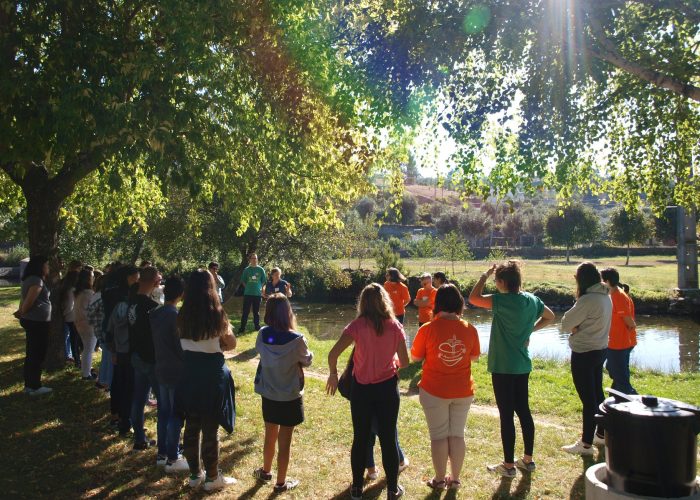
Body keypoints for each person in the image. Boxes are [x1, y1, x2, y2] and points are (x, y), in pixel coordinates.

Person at [469, 261, 555, 477]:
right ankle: (528, 460)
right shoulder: (532, 300)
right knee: (524, 411)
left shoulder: (500, 300)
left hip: (502, 366)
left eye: (496, 280)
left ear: (502, 282)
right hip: (522, 365)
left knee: (506, 415)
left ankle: (508, 466)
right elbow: (551, 316)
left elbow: (473, 298)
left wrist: (483, 276)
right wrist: (530, 331)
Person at [326, 284, 410, 500]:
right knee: (389, 438)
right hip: (387, 389)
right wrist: (391, 361)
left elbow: (333, 354)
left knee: (360, 438)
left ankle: (356, 488)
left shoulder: (356, 326)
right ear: (385, 301)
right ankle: (392, 489)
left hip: (361, 390)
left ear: (362, 303)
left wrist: (334, 375)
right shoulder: (394, 326)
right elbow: (406, 361)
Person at [411, 284, 480, 490]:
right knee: (457, 435)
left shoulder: (427, 328)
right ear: (460, 304)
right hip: (463, 390)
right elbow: (474, 357)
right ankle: (455, 479)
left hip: (434, 390)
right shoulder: (471, 329)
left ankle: (440, 480)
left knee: (439, 436)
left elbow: (415, 357)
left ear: (437, 304)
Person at [177, 270, 237, 492]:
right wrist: (217, 344)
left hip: (189, 373)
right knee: (210, 427)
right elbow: (231, 343)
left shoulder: (181, 314)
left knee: (191, 425)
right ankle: (212, 478)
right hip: (211, 375)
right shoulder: (217, 314)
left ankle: (194, 475)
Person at [253, 293, 312, 492]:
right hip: (290, 395)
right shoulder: (297, 339)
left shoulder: (263, 334)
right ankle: (280, 482)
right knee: (285, 440)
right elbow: (307, 360)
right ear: (288, 312)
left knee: (270, 433)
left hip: (269, 392)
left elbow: (260, 350)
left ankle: (266, 471)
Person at [560, 262, 612, 455]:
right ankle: (601, 433)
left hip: (584, 352)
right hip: (600, 349)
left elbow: (565, 323)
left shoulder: (588, 299)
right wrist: (578, 326)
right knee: (597, 395)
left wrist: (576, 328)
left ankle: (586, 444)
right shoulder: (606, 297)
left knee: (588, 400)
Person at [150, 276, 188, 472]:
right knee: (174, 413)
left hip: (160, 367)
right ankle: (173, 456)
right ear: (181, 294)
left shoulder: (155, 314)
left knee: (163, 411)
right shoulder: (175, 316)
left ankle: (161, 453)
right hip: (174, 370)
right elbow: (179, 347)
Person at [128, 265, 162, 450]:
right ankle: (165, 443)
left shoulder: (131, 302)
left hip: (136, 356)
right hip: (151, 359)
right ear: (155, 281)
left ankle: (139, 439)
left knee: (139, 399)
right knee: (163, 402)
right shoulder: (151, 308)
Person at [13, 255, 53, 395]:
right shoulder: (37, 281)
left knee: (32, 353)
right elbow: (29, 301)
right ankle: (34, 386)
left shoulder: (30, 279)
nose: (48, 267)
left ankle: (30, 385)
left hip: (35, 321)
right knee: (37, 354)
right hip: (37, 322)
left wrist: (21, 312)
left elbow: (25, 300)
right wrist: (22, 312)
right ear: (40, 267)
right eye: (46, 265)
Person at [601, 268, 637, 395]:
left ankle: (636, 404)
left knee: (621, 378)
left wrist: (629, 333)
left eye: (600, 280)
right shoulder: (613, 294)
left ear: (607, 281)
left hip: (620, 343)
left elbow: (629, 321)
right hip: (614, 343)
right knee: (613, 370)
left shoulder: (618, 297)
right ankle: (615, 398)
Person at [87, 274, 111, 390]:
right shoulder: (101, 297)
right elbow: (91, 314)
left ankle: (103, 380)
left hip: (98, 329)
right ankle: (106, 382)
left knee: (106, 356)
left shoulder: (95, 295)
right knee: (108, 357)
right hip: (102, 329)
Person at [74, 269, 98, 380]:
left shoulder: (79, 292)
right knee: (88, 349)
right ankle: (86, 374)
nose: (93, 278)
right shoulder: (89, 293)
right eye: (92, 276)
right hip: (88, 324)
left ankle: (86, 370)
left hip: (79, 322)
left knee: (86, 348)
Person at [238, 253, 266, 333]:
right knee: (245, 312)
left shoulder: (261, 269)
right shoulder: (246, 270)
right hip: (248, 294)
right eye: (253, 258)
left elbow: (263, 281)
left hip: (257, 294)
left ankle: (257, 327)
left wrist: (260, 288)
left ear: (257, 259)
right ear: (250, 260)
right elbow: (243, 280)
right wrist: (247, 287)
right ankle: (242, 328)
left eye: (255, 258)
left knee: (256, 312)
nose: (254, 260)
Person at [59, 270, 81, 367]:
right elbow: (69, 306)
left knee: (68, 337)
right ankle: (76, 359)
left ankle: (69, 355)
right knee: (73, 340)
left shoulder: (66, 289)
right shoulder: (71, 290)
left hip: (68, 317)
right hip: (71, 317)